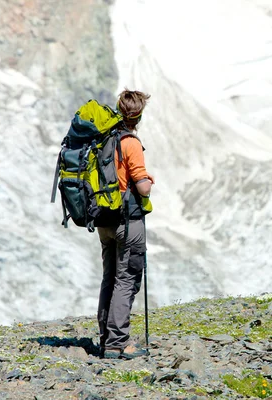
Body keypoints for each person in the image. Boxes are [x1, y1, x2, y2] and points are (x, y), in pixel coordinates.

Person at [97, 89, 154, 359]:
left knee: (110, 277)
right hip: (127, 222)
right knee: (127, 279)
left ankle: (104, 336)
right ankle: (118, 343)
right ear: (139, 115)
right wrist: (149, 182)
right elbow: (142, 188)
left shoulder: (105, 137)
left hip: (104, 220)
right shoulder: (130, 142)